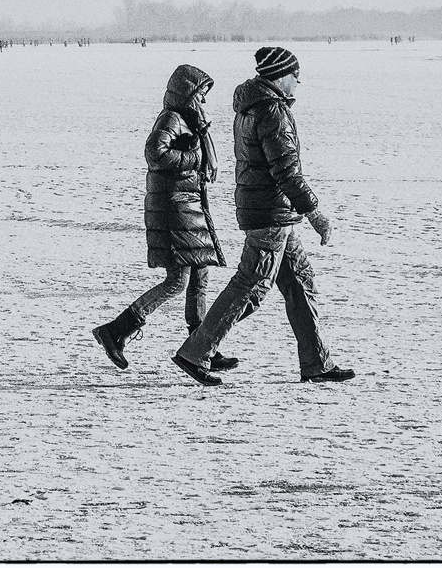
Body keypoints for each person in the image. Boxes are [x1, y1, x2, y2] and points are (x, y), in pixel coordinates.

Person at [173, 47, 354, 386]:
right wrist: (314, 212)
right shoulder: (271, 111)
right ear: (279, 76)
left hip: (271, 211)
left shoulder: (253, 106)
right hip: (271, 213)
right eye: (294, 74)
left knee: (300, 283)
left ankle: (316, 363)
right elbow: (285, 170)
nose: (298, 80)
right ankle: (196, 351)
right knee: (250, 286)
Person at [94, 65, 237, 372]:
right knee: (177, 280)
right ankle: (117, 330)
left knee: (200, 276)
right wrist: (194, 159)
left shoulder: (193, 122)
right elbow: (154, 153)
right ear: (186, 93)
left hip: (188, 206)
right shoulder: (172, 119)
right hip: (173, 209)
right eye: (200, 93)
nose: (204, 100)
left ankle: (202, 348)